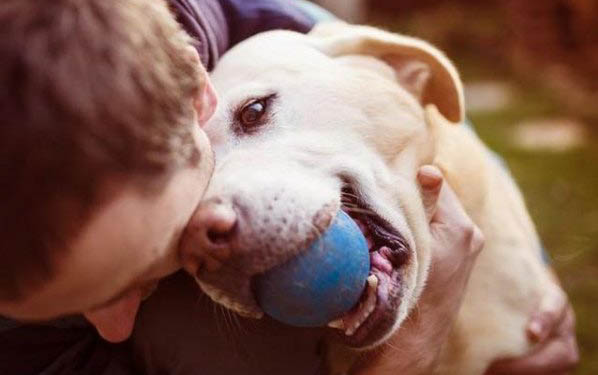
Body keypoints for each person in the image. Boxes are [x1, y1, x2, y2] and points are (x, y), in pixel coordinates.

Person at [0, 0, 577, 374]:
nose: (115, 327)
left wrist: (528, 287)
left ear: (196, 96)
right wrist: (405, 360)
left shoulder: (290, 36)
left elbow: (424, 120)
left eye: (252, 116)